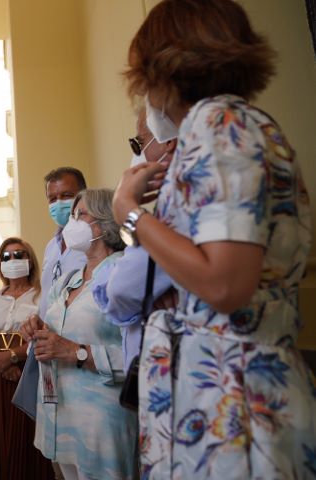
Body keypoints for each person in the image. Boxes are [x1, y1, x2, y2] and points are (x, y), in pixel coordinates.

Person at [113, 0, 316, 477]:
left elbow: (224, 284)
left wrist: (130, 213)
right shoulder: (244, 125)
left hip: (234, 403)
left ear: (161, 68)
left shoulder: (219, 125)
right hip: (234, 392)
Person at [21, 189, 137, 480]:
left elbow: (142, 358)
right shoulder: (69, 281)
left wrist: (76, 352)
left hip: (101, 426)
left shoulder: (124, 275)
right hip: (60, 419)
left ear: (105, 223)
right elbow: (57, 331)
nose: (71, 223)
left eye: (80, 214)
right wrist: (37, 328)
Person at [91, 109, 176, 369]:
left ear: (168, 140)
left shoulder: (179, 204)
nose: (137, 154)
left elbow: (118, 291)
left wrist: (127, 207)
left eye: (139, 142)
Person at [0, 237, 55, 480]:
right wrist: (0, 363)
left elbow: (45, 333)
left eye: (19, 255)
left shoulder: (42, 296)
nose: (12, 260)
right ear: (0, 263)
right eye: (6, 256)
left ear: (30, 260)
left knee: (27, 435)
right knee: (0, 433)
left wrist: (10, 357)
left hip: (29, 370)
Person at [40, 167, 88, 317]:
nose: (59, 203)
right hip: (46, 329)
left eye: (66, 195)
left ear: (83, 196)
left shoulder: (95, 241)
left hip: (79, 330)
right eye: (52, 199)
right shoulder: (51, 247)